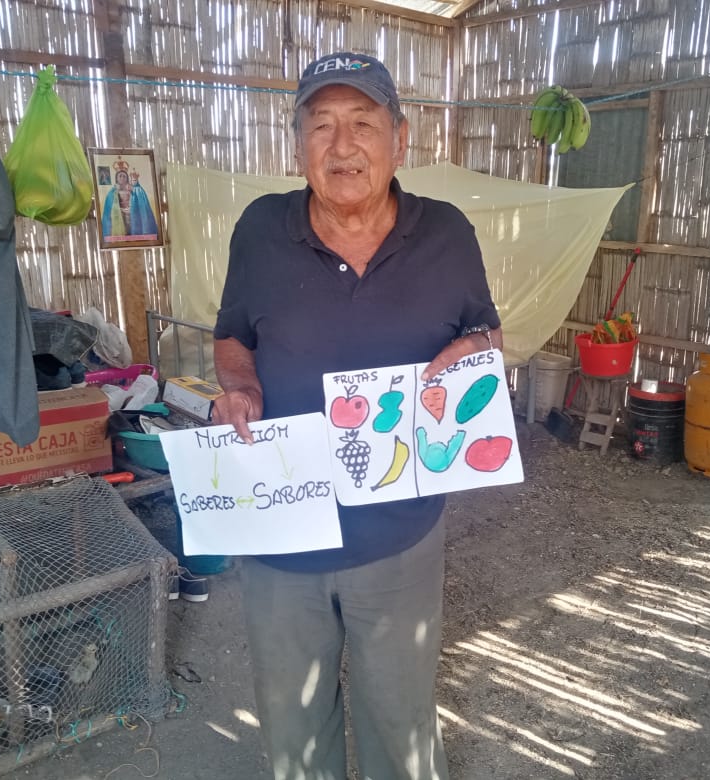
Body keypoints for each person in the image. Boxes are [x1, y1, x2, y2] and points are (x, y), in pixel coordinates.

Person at [211, 51, 503, 780]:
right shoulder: (260, 229)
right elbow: (232, 337)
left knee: (401, 724)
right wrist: (240, 388)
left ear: (400, 139)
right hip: (281, 529)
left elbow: (487, 333)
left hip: (400, 532)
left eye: (363, 124)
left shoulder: (447, 234)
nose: (342, 146)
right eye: (322, 125)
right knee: (293, 727)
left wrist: (476, 349)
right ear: (298, 143)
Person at [101, 159, 159, 240]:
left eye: (124, 176)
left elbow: (139, 198)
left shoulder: (133, 189)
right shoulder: (112, 192)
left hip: (132, 213)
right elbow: (109, 206)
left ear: (127, 178)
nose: (122, 178)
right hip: (119, 215)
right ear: (116, 178)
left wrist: (134, 191)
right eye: (120, 176)